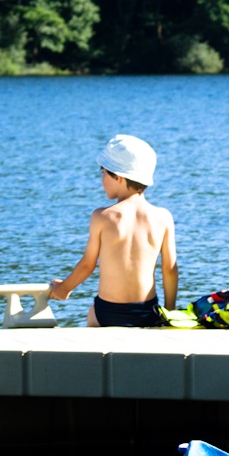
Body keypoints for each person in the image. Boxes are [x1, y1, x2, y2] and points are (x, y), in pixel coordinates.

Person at [49, 134, 178, 327]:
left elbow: (87, 264)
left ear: (118, 177)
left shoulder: (103, 216)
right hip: (147, 312)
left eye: (103, 173)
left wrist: (63, 289)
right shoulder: (162, 217)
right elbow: (169, 269)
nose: (101, 180)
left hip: (107, 312)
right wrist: (169, 312)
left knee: (92, 315)